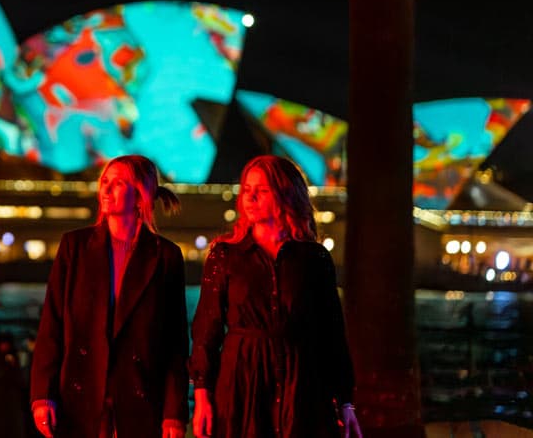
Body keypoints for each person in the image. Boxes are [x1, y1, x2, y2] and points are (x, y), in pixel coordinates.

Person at [190, 155, 362, 438]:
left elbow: (331, 335)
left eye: (262, 190)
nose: (251, 197)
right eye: (247, 189)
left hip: (302, 383)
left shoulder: (314, 258)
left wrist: (345, 402)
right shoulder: (225, 256)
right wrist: (202, 397)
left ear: (285, 195)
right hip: (241, 383)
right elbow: (206, 331)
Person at [30, 154, 188, 438]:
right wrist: (42, 395)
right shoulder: (74, 246)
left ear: (140, 196)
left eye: (118, 183)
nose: (105, 189)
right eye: (104, 181)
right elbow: (51, 325)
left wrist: (174, 413)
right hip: (80, 396)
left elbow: (175, 342)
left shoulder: (166, 256)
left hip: (140, 397)